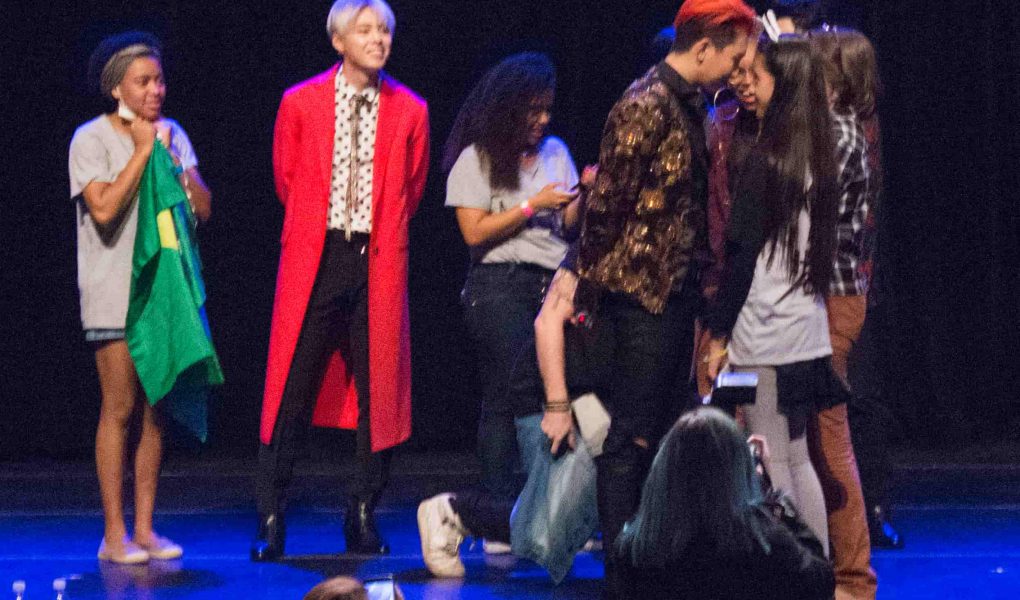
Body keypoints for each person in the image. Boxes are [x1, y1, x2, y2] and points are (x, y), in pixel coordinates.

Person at [534, 1, 757, 596]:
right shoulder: (645, 103)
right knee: (629, 440)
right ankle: (622, 575)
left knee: (657, 436)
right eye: (734, 58)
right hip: (640, 300)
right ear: (704, 48)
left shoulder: (691, 105)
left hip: (674, 295)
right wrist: (581, 278)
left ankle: (652, 561)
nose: (737, 70)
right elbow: (607, 206)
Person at [252, 0, 429, 560]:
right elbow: (286, 178)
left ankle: (362, 512)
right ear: (339, 41)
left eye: (385, 30)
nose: (378, 39)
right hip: (318, 255)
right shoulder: (300, 102)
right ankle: (272, 514)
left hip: (377, 259)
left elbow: (412, 187)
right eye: (366, 30)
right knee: (292, 385)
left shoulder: (411, 110)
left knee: (381, 391)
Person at [417, 51, 594, 577]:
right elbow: (473, 234)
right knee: (507, 395)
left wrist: (581, 197)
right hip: (499, 285)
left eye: (547, 109)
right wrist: (531, 205)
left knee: (548, 393)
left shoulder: (556, 151)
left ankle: (541, 509)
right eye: (533, 109)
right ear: (507, 107)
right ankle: (499, 512)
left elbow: (569, 226)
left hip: (552, 285)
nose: (542, 119)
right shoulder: (476, 158)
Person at [69, 31, 212, 564]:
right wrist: (142, 151)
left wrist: (172, 160)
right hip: (114, 290)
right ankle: (114, 535)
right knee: (120, 407)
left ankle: (146, 529)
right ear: (117, 88)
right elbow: (104, 209)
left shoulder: (174, 135)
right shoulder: (90, 139)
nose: (156, 90)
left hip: (164, 292)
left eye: (159, 80)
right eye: (143, 81)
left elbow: (202, 208)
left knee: (157, 410)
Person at [704, 38, 841, 554]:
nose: (748, 86)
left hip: (766, 330)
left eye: (757, 77)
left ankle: (794, 573)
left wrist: (717, 335)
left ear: (780, 87)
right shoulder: (815, 157)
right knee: (798, 455)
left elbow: (740, 260)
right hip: (805, 328)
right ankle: (817, 570)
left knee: (772, 456)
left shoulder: (767, 162)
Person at [617, 407, 835, 599]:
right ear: (737, 473)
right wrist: (775, 499)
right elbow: (820, 582)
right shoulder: (763, 544)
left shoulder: (633, 549)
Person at [807, 27, 879, 599]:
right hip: (829, 296)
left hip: (833, 300)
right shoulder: (833, 129)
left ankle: (854, 578)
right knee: (810, 437)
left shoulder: (839, 134)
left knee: (830, 435)